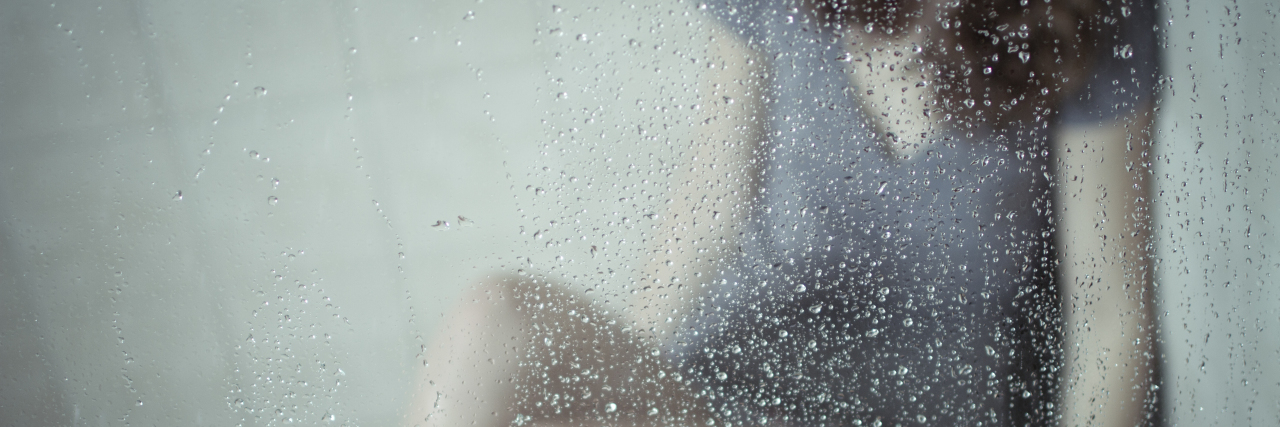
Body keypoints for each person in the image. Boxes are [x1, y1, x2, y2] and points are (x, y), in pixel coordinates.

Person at [410, 0, 1160, 426]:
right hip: (729, 386)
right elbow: (711, 199)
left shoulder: (1077, 25)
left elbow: (1110, 310)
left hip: (928, 404)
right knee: (494, 323)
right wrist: (627, 381)